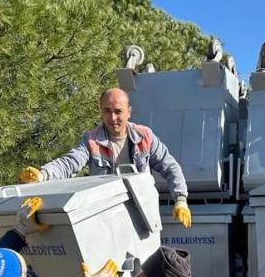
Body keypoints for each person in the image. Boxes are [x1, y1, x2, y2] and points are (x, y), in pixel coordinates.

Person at [18, 88, 193, 229]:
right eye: (107, 111)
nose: (113, 118)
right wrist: (42, 175)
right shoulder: (91, 139)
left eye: (118, 111)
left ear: (129, 112)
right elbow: (69, 163)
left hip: (144, 217)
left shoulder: (145, 136)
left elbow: (171, 167)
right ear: (101, 112)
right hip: (106, 219)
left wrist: (181, 200)